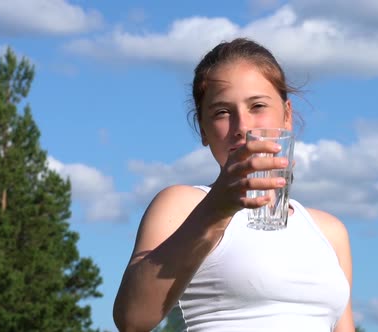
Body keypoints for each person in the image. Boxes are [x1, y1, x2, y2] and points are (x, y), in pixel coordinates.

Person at [113, 37, 355, 332]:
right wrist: (216, 209)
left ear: (287, 115)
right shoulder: (181, 204)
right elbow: (132, 320)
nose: (242, 127)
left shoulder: (330, 231)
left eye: (257, 105)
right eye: (221, 112)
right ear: (203, 130)